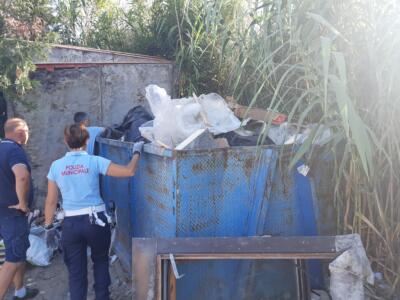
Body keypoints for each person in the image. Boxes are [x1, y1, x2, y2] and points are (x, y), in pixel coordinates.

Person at [44, 124, 144, 300]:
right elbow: (129, 171)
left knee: (76, 272)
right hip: (96, 221)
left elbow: (51, 201)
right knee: (100, 262)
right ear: (87, 140)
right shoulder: (95, 161)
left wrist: (48, 227)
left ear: (66, 141)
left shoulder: (56, 166)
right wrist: (137, 152)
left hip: (71, 224)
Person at [0, 118, 39, 300]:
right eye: (28, 132)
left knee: (19, 251)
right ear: (21, 133)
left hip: (3, 212)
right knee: (13, 259)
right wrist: (23, 203)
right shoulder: (14, 150)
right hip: (12, 213)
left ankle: (20, 291)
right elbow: (22, 177)